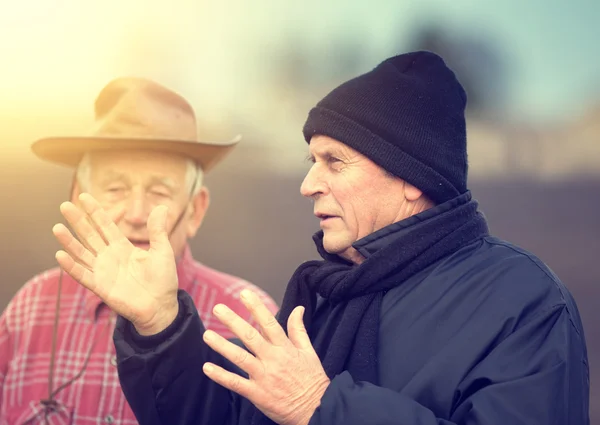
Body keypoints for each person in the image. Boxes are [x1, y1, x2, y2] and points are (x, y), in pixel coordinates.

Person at [53, 51, 590, 425]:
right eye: (312, 161)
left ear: (410, 178)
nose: (308, 185)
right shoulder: (324, 297)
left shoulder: (523, 304)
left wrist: (323, 406)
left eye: (334, 161)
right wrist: (160, 325)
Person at [0, 77, 278, 425]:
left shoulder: (248, 318)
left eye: (160, 193)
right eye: (115, 188)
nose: (135, 214)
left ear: (195, 211)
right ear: (78, 198)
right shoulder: (30, 310)